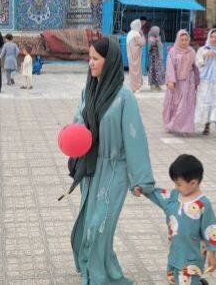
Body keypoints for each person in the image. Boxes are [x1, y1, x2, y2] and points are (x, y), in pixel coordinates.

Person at [65, 37, 155, 285]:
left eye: (95, 59)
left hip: (114, 170)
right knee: (87, 223)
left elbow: (135, 139)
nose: (90, 63)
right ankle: (92, 268)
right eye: (89, 58)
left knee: (99, 226)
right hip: (92, 169)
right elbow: (78, 121)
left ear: (110, 61)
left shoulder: (124, 97)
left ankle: (100, 275)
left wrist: (140, 179)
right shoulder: (89, 90)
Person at [134, 155, 216, 284]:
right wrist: (143, 189)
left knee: (186, 280)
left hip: (192, 258)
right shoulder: (174, 197)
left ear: (193, 183)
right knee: (174, 278)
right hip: (175, 253)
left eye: (179, 184)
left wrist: (213, 255)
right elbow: (158, 195)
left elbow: (211, 230)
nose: (176, 187)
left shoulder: (203, 205)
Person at [163, 30, 199, 135]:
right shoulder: (173, 51)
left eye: (186, 40)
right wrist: (170, 80)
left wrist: (197, 80)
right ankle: (171, 125)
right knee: (174, 105)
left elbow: (196, 67)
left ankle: (186, 128)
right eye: (182, 40)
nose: (184, 42)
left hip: (189, 82)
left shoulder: (191, 51)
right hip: (176, 84)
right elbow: (170, 67)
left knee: (186, 106)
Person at [126, 19, 146, 93]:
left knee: (132, 71)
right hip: (135, 56)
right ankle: (136, 87)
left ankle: (133, 86)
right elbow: (143, 43)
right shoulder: (136, 34)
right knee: (136, 71)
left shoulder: (130, 33)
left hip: (130, 55)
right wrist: (142, 34)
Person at [147, 26, 165, 91]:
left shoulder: (157, 37)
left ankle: (158, 85)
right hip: (153, 58)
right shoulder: (150, 38)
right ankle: (152, 85)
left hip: (158, 58)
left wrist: (158, 41)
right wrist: (156, 42)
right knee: (153, 71)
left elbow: (161, 46)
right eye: (157, 31)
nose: (158, 32)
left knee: (158, 71)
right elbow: (150, 49)